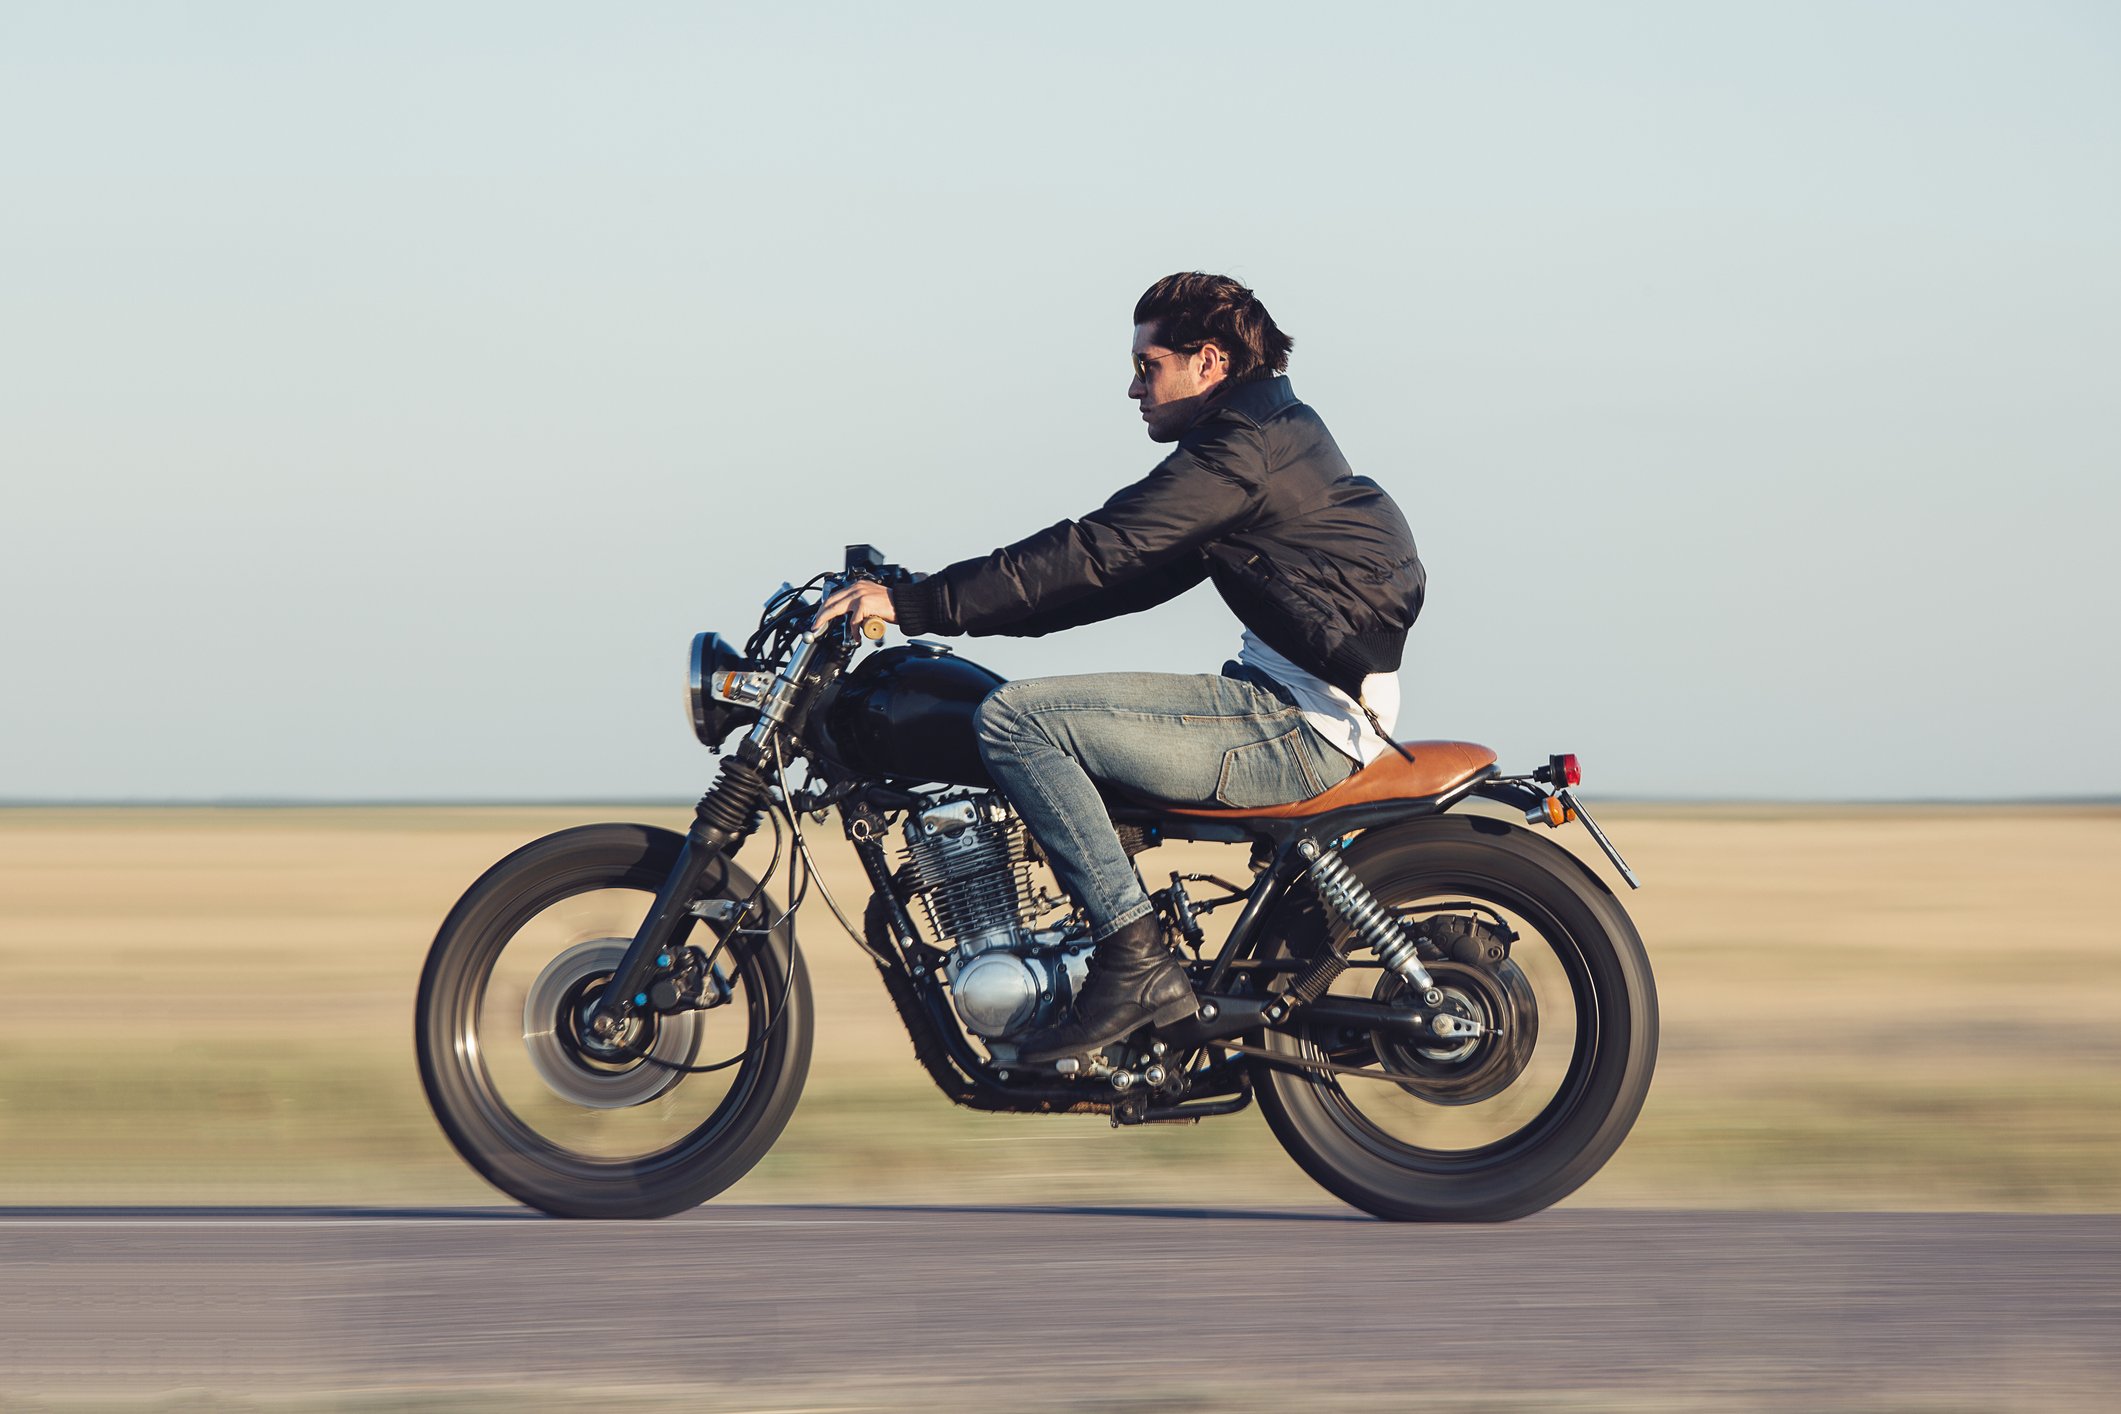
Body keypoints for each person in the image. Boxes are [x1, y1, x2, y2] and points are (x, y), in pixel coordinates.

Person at [812, 272, 1424, 1065]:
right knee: (1020, 706)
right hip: (1292, 704)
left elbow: (1097, 550)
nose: (1132, 387)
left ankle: (1133, 961)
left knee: (1015, 719)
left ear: (1208, 362)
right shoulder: (1261, 436)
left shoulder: (1239, 453)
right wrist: (933, 602)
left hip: (1295, 726)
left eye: (1148, 366)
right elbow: (1110, 580)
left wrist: (918, 604)